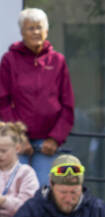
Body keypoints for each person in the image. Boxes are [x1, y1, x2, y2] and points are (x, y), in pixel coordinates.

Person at [0, 9, 73, 188]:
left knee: (42, 191)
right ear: (22, 32)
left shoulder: (58, 61)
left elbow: (68, 105)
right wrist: (17, 137)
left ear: (46, 31)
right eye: (30, 28)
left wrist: (55, 138)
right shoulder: (9, 60)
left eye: (39, 27)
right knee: (14, 189)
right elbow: (2, 101)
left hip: (47, 142)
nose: (35, 32)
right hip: (18, 140)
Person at [0, 123, 40, 217]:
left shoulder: (26, 173)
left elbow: (28, 208)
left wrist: (4, 201)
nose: (0, 155)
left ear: (17, 148)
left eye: (3, 151)